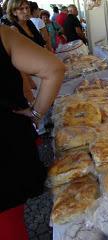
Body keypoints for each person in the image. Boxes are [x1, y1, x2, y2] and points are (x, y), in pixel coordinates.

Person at [0, 25, 64, 240]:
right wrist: (36, 114)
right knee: (9, 221)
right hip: (6, 142)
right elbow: (53, 69)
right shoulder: (3, 33)